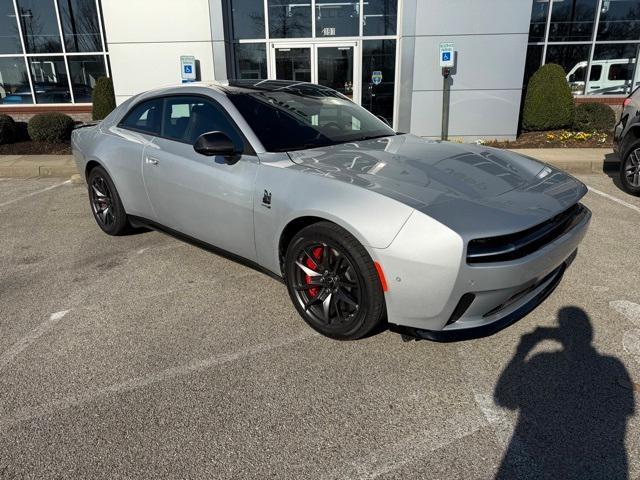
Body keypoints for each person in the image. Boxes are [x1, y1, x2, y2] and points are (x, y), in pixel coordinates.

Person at [494, 306, 635, 479]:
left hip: (544, 455)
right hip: (606, 462)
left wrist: (523, 349)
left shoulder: (542, 360)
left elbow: (504, 399)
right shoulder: (613, 365)